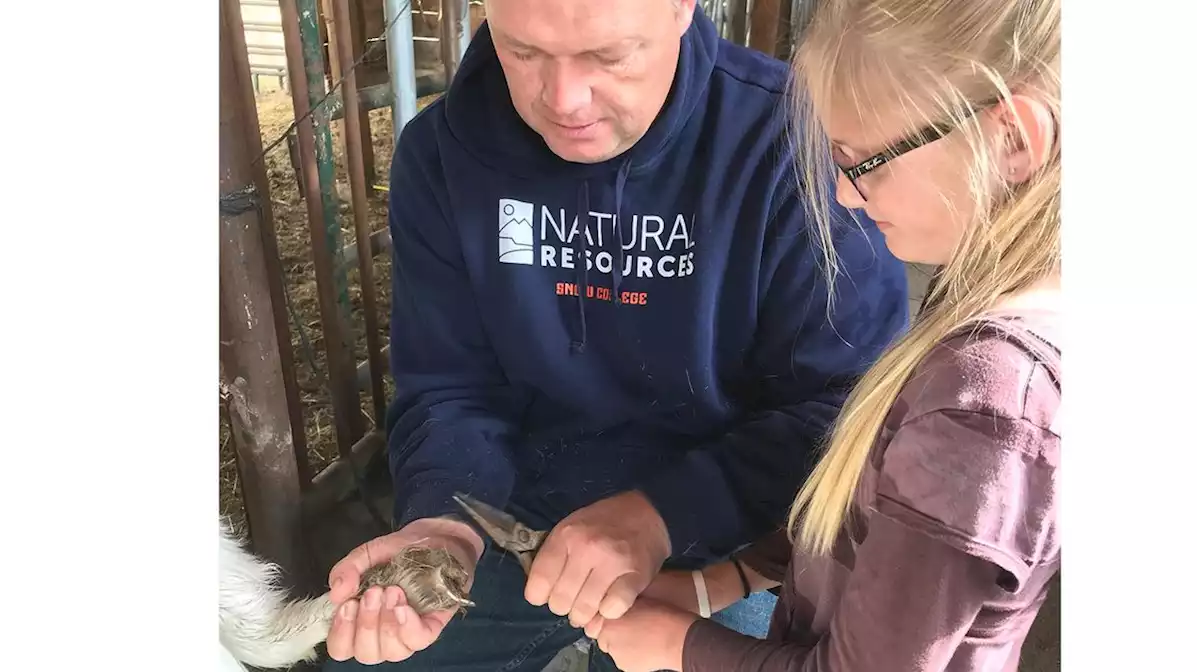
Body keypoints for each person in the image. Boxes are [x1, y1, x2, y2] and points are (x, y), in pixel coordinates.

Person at [321, 0, 911, 670]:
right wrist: (441, 524)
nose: (565, 100)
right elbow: (449, 386)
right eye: (524, 53)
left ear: (683, 9)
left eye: (609, 56)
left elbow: (846, 408)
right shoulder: (442, 155)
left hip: (736, 529)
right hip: (509, 508)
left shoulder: (797, 145)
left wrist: (665, 516)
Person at [584, 0, 1063, 669]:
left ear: (1010, 140)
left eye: (867, 161)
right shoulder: (983, 311)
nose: (844, 195)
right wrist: (716, 583)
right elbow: (871, 525)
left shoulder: (986, 401)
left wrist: (675, 646)